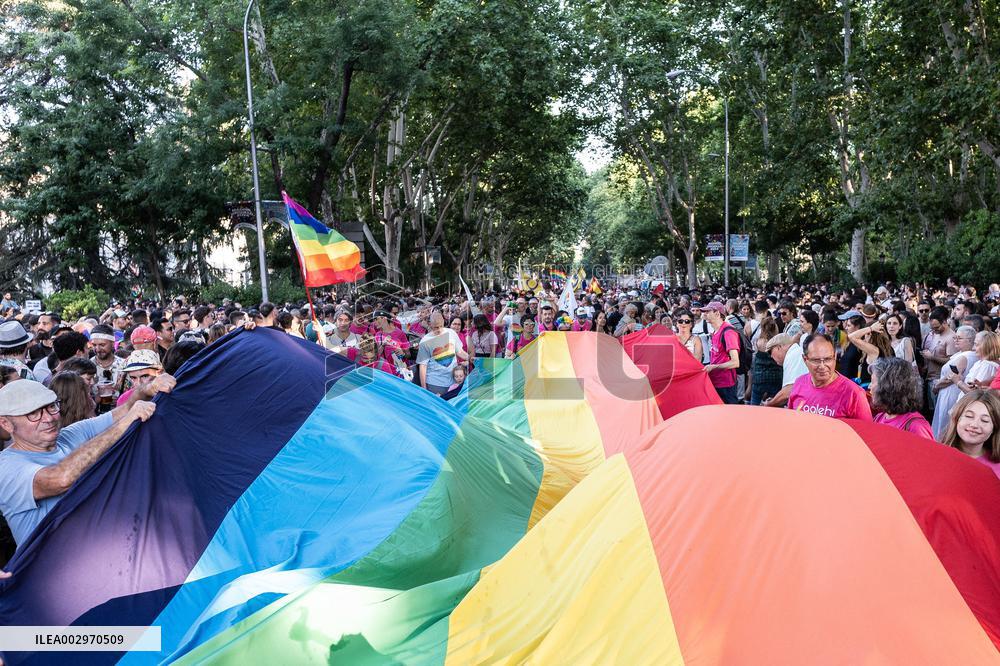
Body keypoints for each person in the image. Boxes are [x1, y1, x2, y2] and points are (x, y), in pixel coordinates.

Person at [0, 372, 172, 547]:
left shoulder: (69, 434)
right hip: (56, 570)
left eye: (51, 407)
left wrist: (149, 387)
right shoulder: (7, 467)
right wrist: (124, 423)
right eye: (33, 414)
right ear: (6, 424)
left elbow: (127, 409)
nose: (49, 418)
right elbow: (61, 478)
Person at [786, 333, 872, 420]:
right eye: (816, 360)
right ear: (805, 359)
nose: (822, 366)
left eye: (827, 359)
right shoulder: (799, 383)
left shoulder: (854, 393)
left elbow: (866, 431)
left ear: (834, 356)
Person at [930, 325, 978, 440]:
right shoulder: (961, 354)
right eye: (955, 337)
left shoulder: (965, 356)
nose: (955, 340)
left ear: (970, 340)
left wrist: (936, 385)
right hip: (950, 392)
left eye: (959, 338)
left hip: (951, 393)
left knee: (944, 424)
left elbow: (950, 377)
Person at [939, 389, 1000, 479]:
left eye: (984, 420)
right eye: (969, 416)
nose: (974, 425)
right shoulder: (938, 457)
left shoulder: (997, 467)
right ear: (956, 418)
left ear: (994, 427)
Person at [869, 358, 933, 439]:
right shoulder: (879, 418)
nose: (869, 386)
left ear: (888, 387)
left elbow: (929, 451)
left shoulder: (916, 427)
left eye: (872, 381)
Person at [416, 312, 469, 396]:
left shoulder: (451, 333)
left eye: (441, 326)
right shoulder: (425, 341)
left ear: (444, 322)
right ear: (430, 324)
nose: (439, 329)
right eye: (436, 327)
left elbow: (460, 352)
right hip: (435, 383)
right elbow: (423, 366)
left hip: (453, 380)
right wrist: (424, 388)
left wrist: (472, 358)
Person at [698, 302, 741, 404]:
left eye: (708, 311)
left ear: (717, 313)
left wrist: (713, 367)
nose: (704, 314)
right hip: (716, 382)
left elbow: (735, 362)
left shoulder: (728, 332)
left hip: (726, 385)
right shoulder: (715, 332)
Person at [921, 306, 957, 412]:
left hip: (941, 380)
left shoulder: (951, 337)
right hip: (930, 377)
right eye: (932, 328)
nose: (934, 330)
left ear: (945, 322)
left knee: (938, 411)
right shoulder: (936, 334)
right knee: (932, 410)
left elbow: (951, 361)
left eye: (937, 327)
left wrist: (932, 357)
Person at [762, 333, 809, 408]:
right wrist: (774, 400)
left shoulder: (793, 355)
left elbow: (789, 391)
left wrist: (770, 403)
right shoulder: (794, 353)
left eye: (770, 351)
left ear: (779, 347)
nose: (771, 356)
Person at [749, 316, 782, 405]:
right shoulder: (778, 343)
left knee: (754, 404)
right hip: (775, 378)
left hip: (759, 378)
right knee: (775, 406)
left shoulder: (758, 342)